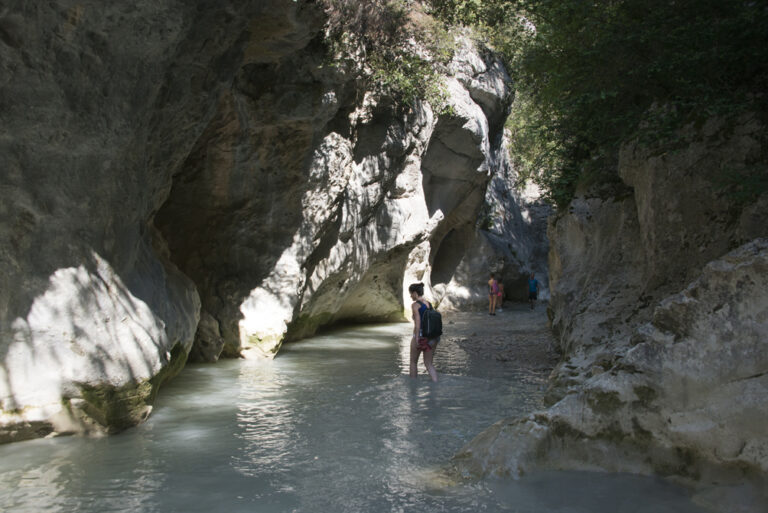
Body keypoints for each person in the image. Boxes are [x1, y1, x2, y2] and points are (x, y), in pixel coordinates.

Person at [408, 282, 439, 382]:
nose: (410, 295)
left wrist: (417, 338)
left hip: (421, 337)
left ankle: (412, 388)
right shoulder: (428, 304)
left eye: (411, 293)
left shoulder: (415, 305)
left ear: (415, 293)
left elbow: (418, 323)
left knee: (413, 362)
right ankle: (435, 383)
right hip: (432, 337)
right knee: (428, 364)